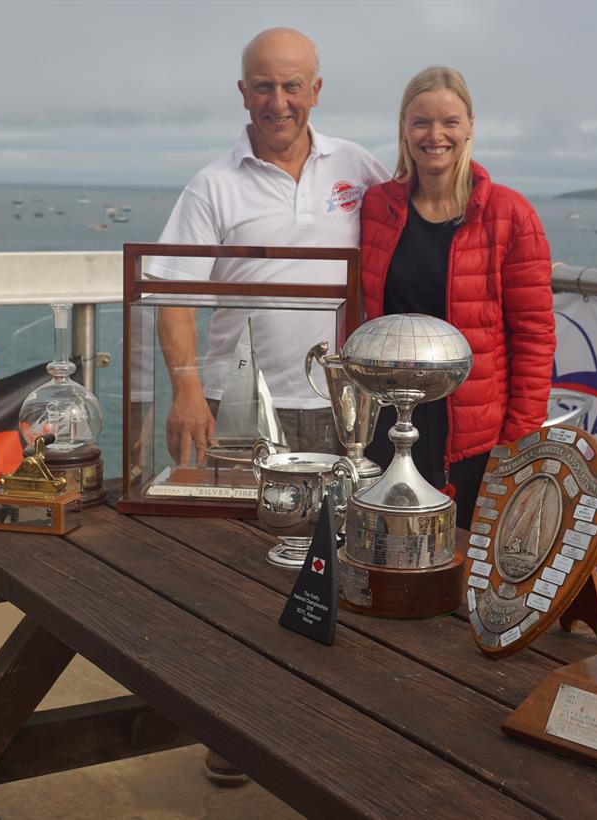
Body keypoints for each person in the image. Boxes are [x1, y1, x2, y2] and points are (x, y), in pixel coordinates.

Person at [148, 28, 388, 465]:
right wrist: (186, 393)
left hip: (345, 404)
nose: (279, 103)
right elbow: (173, 297)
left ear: (315, 91)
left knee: (335, 533)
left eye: (292, 86)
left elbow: (412, 233)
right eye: (264, 87)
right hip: (238, 405)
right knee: (230, 535)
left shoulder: (358, 165)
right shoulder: (212, 185)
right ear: (243, 93)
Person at [361, 67, 555, 529]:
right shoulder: (377, 208)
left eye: (449, 121)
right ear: (404, 129)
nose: (435, 135)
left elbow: (534, 338)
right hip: (385, 425)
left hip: (472, 436)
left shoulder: (510, 215)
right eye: (420, 122)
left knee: (462, 569)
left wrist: (518, 443)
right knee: (391, 553)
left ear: (470, 125)